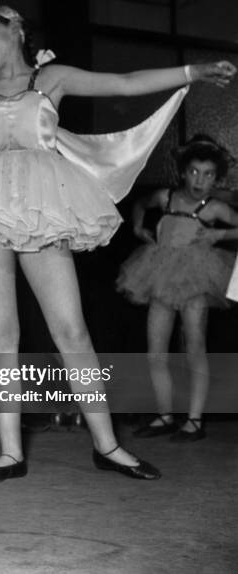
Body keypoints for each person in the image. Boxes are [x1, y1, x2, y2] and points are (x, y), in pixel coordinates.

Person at [0, 5, 235, 482]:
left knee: (71, 330)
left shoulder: (50, 77)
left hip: (44, 205)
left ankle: (107, 444)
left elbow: (124, 83)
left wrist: (192, 71)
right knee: (1, 333)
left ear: (15, 28)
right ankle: (10, 453)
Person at [117, 134, 238, 441]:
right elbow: (141, 203)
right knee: (156, 350)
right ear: (183, 172)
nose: (200, 180)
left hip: (197, 277)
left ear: (217, 178)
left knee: (195, 345)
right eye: (194, 172)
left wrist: (218, 237)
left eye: (208, 174)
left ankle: (194, 421)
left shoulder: (214, 208)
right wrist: (137, 225)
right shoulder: (166, 197)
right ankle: (165, 414)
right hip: (159, 273)